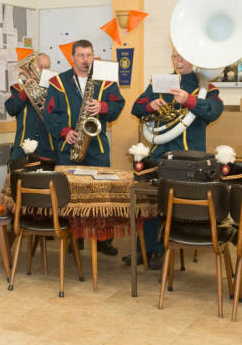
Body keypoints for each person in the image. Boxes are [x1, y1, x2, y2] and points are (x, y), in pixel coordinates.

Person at [129, 47, 224, 267]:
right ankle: (145, 249)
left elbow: (213, 111)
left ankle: (164, 250)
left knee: (175, 204)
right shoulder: (160, 82)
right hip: (161, 154)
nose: (177, 60)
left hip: (190, 158)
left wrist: (190, 100)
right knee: (150, 202)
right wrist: (150, 105)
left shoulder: (206, 87)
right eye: (174, 56)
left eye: (182, 56)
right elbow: (136, 107)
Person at [45, 39, 125, 256]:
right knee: (70, 196)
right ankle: (74, 239)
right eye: (81, 55)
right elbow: (49, 114)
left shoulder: (104, 79)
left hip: (97, 148)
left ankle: (103, 240)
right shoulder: (57, 82)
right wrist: (65, 132)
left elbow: (118, 104)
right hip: (69, 147)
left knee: (102, 194)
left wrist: (103, 106)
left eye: (89, 55)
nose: (85, 60)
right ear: (72, 57)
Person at [5, 52, 56, 161]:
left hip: (48, 146)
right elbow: (11, 109)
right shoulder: (18, 88)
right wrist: (25, 91)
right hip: (23, 146)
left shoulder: (55, 89)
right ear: (32, 69)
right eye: (40, 66)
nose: (43, 70)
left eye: (46, 67)